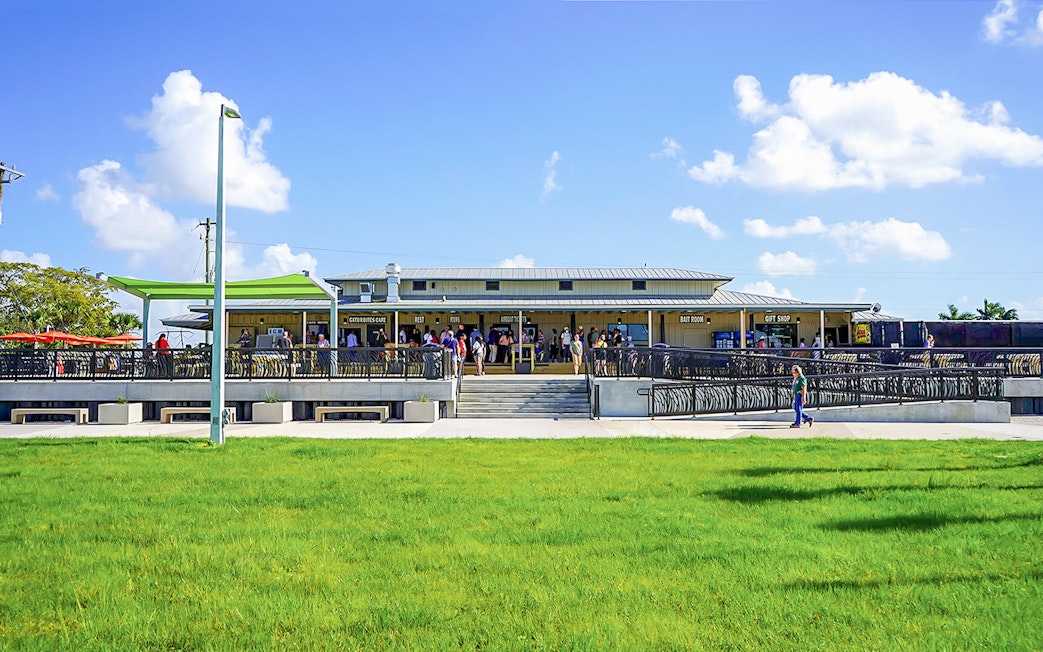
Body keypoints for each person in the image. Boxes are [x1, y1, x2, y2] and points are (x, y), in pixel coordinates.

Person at [790, 364, 814, 428]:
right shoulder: (797, 378)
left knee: (798, 409)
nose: (793, 374)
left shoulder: (801, 378)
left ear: (797, 372)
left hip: (800, 395)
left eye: (794, 372)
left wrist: (803, 397)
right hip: (797, 395)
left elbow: (803, 388)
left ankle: (798, 423)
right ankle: (808, 418)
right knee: (797, 408)